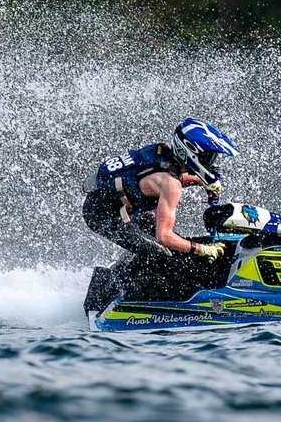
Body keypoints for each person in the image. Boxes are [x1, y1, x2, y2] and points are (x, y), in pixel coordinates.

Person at [82, 119, 239, 296]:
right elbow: (164, 237)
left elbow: (152, 179)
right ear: (191, 152)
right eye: (208, 158)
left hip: (113, 206)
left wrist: (200, 181)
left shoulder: (163, 152)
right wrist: (202, 249)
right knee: (162, 254)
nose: (211, 163)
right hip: (102, 215)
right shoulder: (171, 186)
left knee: (168, 243)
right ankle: (111, 295)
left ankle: (119, 278)